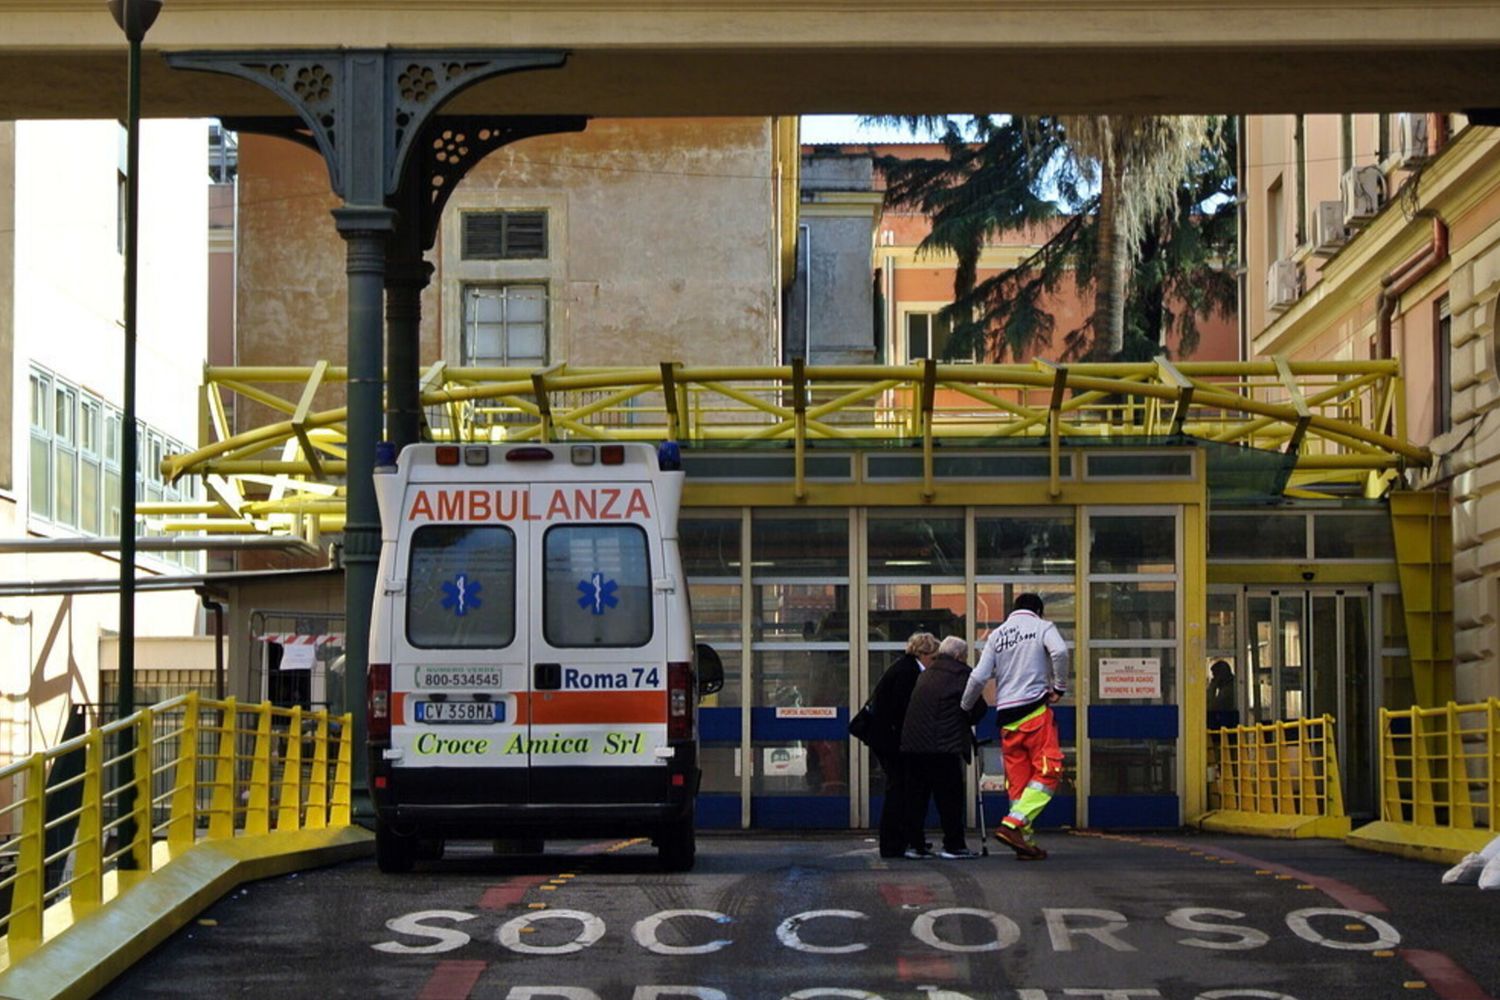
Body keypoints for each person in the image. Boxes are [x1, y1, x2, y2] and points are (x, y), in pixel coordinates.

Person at [962, 593, 1068, 860]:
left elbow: (978, 677)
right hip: (1034, 713)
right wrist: (1059, 687)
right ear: (1039, 611)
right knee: (1048, 772)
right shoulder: (1042, 627)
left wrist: (964, 708)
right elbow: (1060, 651)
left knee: (1019, 785)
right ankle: (1013, 825)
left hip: (1007, 718)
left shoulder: (997, 635)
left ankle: (1025, 844)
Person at [900, 635, 986, 859]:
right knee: (950, 798)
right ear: (958, 656)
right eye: (965, 655)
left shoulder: (926, 673)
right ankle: (953, 844)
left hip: (915, 745)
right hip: (943, 746)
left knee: (917, 797)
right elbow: (978, 708)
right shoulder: (961, 674)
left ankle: (915, 844)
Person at [867, 631, 939, 858]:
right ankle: (894, 843)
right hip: (894, 741)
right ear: (923, 653)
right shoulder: (908, 673)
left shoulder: (904, 668)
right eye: (933, 657)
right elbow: (902, 711)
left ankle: (904, 839)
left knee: (901, 789)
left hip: (889, 738)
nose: (934, 662)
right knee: (899, 790)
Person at [1206, 659, 1239, 730]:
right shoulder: (1227, 686)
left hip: (1228, 723)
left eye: (1215, 675)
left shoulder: (1228, 689)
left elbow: (1212, 707)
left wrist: (1212, 687)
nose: (1213, 678)